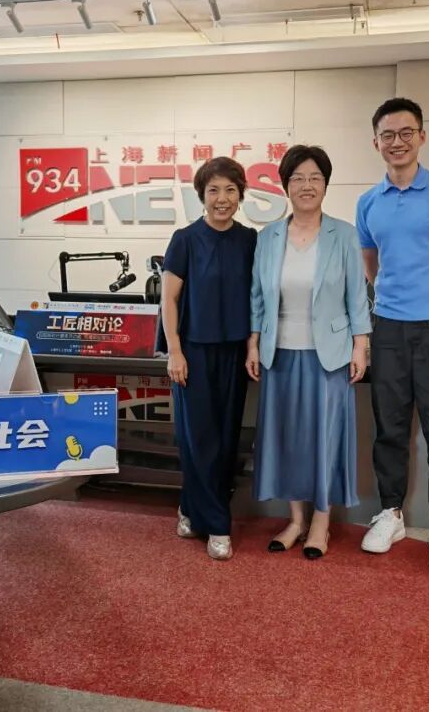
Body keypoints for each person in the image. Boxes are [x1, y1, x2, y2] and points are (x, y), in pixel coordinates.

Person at [355, 97, 429, 571]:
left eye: (406, 133)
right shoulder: (369, 202)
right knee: (390, 427)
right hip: (388, 325)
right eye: (388, 135)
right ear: (375, 143)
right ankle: (390, 513)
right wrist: (395, 303)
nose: (397, 142)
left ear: (421, 137)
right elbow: (371, 263)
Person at [246, 145, 370, 559]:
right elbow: (257, 296)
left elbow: (357, 296)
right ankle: (295, 520)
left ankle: (321, 522)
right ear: (285, 186)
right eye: (298, 178)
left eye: (315, 178)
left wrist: (361, 345)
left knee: (324, 438)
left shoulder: (344, 234)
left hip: (328, 354)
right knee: (289, 438)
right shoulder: (268, 237)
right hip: (278, 352)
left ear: (326, 185)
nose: (307, 185)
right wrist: (252, 342)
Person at [160, 157, 257, 561]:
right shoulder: (185, 239)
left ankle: (189, 507)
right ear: (202, 195)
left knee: (225, 440)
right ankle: (218, 524)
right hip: (194, 352)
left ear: (241, 195)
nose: (223, 198)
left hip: (234, 351)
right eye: (214, 190)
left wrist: (252, 346)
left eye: (231, 190)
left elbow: (257, 297)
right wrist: (175, 351)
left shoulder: (249, 240)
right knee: (198, 439)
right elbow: (169, 299)